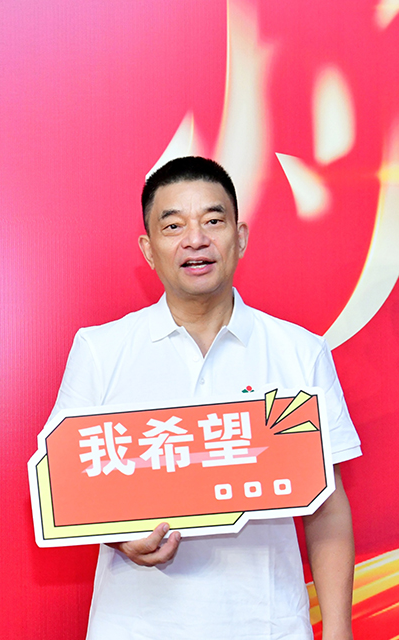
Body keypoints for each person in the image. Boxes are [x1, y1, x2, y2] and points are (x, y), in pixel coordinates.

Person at [48, 156, 361, 639]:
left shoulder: (299, 352)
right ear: (149, 250)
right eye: (173, 226)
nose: (195, 239)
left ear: (240, 236)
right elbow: (65, 485)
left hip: (268, 625)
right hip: (135, 626)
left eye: (213, 221)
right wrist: (119, 537)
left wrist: (339, 632)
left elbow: (327, 507)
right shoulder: (101, 349)